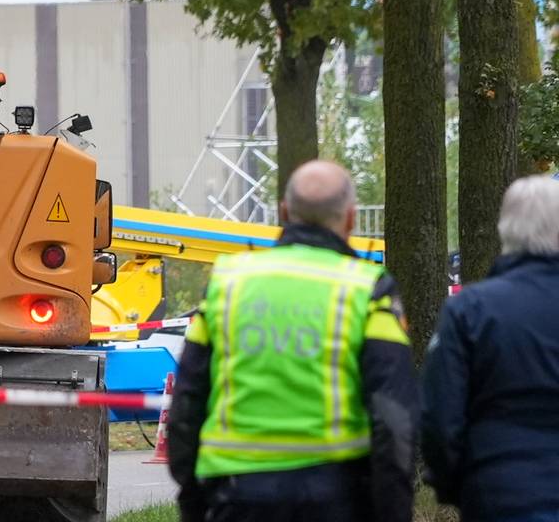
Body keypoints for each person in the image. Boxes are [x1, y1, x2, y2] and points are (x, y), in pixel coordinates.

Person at [167, 160, 418, 522]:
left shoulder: (228, 282)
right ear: (350, 218)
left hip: (236, 494)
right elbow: (393, 415)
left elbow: (188, 401)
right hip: (334, 496)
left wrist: (192, 499)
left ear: (284, 212)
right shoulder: (368, 289)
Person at [422, 175, 559, 522]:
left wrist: (458, 485)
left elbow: (439, 416)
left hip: (500, 491)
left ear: (504, 229)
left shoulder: (468, 310)